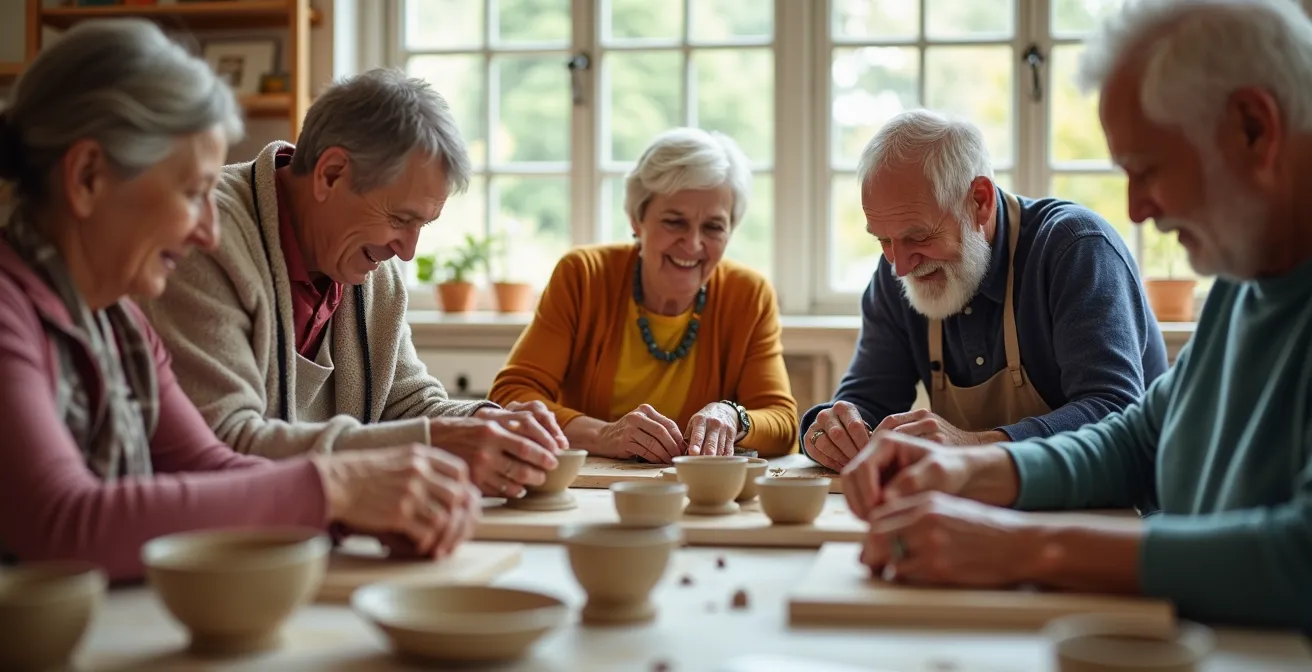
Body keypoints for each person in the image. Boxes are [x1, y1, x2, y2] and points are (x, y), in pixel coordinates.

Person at [841, 0, 1312, 631]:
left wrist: (1024, 547)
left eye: (1146, 170)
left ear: (1253, 127)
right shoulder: (1246, 279)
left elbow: (1298, 556)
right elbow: (1139, 439)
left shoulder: (1080, 247)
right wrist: (966, 469)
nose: (1137, 209)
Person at [0, 20, 479, 581]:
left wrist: (364, 507)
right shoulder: (9, 311)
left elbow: (214, 469)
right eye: (192, 192)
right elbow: (63, 525)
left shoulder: (119, 321)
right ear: (87, 178)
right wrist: (340, 488)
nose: (208, 230)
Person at [136, 68, 566, 499]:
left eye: (423, 225)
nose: (408, 251)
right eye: (401, 219)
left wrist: (488, 424)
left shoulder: (371, 267)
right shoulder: (204, 239)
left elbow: (407, 405)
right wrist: (435, 441)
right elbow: (222, 446)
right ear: (331, 174)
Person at [800, 109, 1168, 472]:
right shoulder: (899, 269)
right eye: (883, 240)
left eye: (919, 236)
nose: (899, 265)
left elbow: (1113, 410)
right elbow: (867, 399)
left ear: (979, 200)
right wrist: (829, 431)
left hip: (1118, 503)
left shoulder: (1074, 248)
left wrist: (974, 446)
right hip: (986, 506)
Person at [488, 128, 798, 462]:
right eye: (674, 222)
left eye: (713, 227)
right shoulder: (584, 275)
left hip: (698, 496)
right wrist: (602, 434)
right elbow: (509, 397)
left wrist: (733, 415)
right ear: (637, 220)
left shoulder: (748, 296)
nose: (693, 244)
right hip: (589, 486)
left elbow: (783, 424)